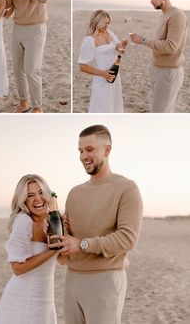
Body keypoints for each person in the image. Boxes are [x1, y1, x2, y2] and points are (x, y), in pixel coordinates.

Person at [49, 124, 143, 324]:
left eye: (89, 149)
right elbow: (69, 235)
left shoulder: (126, 188)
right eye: (80, 151)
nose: (83, 156)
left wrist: (82, 244)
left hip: (105, 280)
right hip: (72, 279)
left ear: (107, 150)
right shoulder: (75, 192)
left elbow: (127, 239)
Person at [0, 174, 59, 324]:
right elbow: (17, 268)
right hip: (22, 299)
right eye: (30, 195)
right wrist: (52, 250)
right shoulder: (23, 221)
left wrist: (65, 232)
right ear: (23, 200)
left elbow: (62, 259)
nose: (38, 199)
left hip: (45, 298)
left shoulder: (52, 221)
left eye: (41, 192)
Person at [130, 0, 188, 113]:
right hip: (158, 69)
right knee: (164, 110)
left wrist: (143, 40)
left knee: (159, 113)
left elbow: (170, 46)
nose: (151, 1)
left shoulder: (177, 16)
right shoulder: (164, 15)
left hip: (168, 72)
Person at [3, 0, 49, 113]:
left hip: (36, 28)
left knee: (32, 70)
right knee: (17, 69)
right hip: (17, 28)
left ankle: (38, 106)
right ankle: (24, 102)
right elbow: (7, 5)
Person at [77, 10, 128, 113]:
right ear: (97, 22)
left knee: (115, 107)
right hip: (102, 80)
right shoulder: (89, 40)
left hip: (115, 77)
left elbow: (119, 49)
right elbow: (83, 66)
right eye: (105, 23)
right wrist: (103, 74)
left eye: (108, 23)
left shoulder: (109, 32)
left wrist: (122, 47)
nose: (107, 26)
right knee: (103, 109)